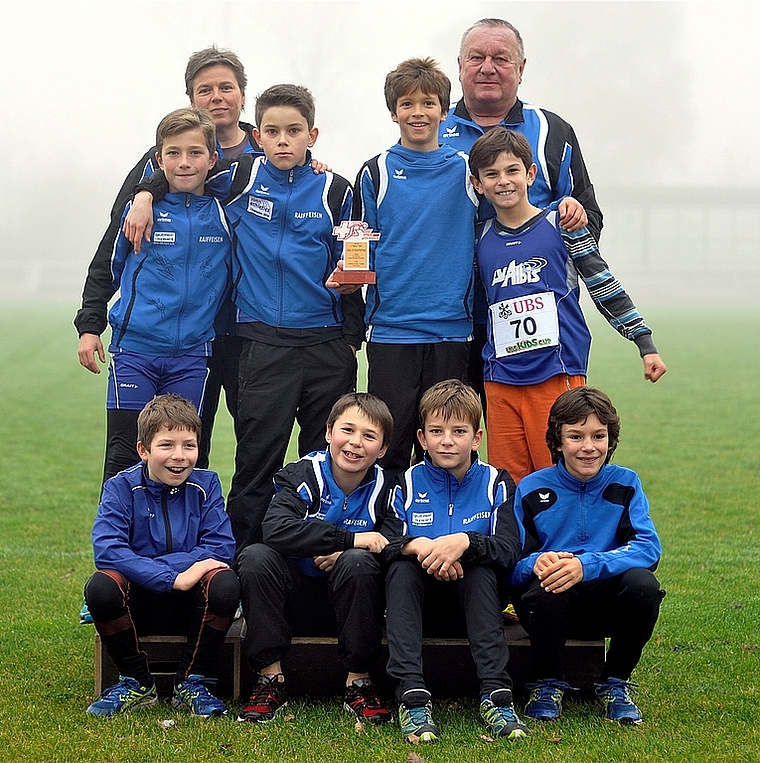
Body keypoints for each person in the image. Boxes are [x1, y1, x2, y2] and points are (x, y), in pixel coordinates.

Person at [129, 85, 360, 551]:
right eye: (272, 131)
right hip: (262, 345)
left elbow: (353, 255)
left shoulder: (336, 188)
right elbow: (183, 176)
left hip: (326, 346)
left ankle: (316, 568)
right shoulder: (238, 178)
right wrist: (144, 195)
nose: (282, 141)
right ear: (258, 135)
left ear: (311, 135)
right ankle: (240, 571)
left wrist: (350, 305)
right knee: (257, 464)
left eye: (294, 132)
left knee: (325, 465)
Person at [75, 46, 259, 478]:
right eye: (205, 89)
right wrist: (90, 320)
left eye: (226, 88)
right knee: (135, 453)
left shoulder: (263, 155)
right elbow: (112, 252)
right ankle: (120, 546)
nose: (216, 97)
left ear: (242, 95)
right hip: (149, 343)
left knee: (206, 452)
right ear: (191, 99)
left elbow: (294, 175)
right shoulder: (155, 172)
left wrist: (313, 162)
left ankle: (213, 543)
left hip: (234, 336)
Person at [468, 128, 667, 483]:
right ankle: (513, 543)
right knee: (508, 483)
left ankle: (567, 542)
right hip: (500, 380)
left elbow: (602, 283)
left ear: (530, 174)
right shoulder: (478, 238)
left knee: (559, 476)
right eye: (492, 174)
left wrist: (644, 342)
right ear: (478, 184)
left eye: (512, 170)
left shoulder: (561, 224)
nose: (504, 181)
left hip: (556, 373)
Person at [440, 18, 598, 409]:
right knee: (445, 441)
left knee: (541, 448)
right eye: (477, 57)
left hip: (534, 329)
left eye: (501, 58)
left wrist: (563, 221)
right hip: (445, 320)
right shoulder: (429, 129)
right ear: (459, 65)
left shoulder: (551, 130)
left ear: (522, 68)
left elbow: (588, 220)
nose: (488, 67)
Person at [348, 58, 478, 476]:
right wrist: (349, 279)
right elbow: (357, 242)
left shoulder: (466, 169)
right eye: (407, 104)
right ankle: (386, 535)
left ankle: (443, 533)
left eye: (428, 103)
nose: (418, 112)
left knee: (447, 446)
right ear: (393, 112)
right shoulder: (376, 170)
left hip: (453, 330)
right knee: (389, 444)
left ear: (445, 109)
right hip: (392, 330)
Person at [235, 393, 394, 725]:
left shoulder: (389, 487)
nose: (355, 443)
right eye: (347, 430)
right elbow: (275, 529)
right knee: (255, 558)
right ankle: (270, 680)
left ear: (382, 449)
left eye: (369, 436)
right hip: (292, 601)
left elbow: (392, 543)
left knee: (358, 562)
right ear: (328, 431)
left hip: (352, 603)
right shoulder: (302, 474)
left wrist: (348, 551)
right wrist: (346, 538)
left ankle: (359, 682)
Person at [382, 380, 527, 742]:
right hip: (418, 609)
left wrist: (464, 542)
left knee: (479, 572)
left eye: (458, 431)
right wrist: (421, 549)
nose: (447, 440)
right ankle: (412, 697)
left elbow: (509, 549)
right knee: (401, 567)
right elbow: (385, 544)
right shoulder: (405, 482)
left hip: (478, 608)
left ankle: (496, 696)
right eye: (437, 431)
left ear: (477, 438)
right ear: (421, 437)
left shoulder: (497, 482)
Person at [509, 386, 665, 724]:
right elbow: (510, 565)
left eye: (599, 436)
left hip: (607, 602)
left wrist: (586, 565)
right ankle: (548, 683)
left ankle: (614, 682)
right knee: (546, 585)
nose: (589, 447)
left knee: (644, 585)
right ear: (558, 440)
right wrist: (534, 563)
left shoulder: (626, 484)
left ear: (611, 439)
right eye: (576, 436)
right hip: (550, 607)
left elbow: (649, 548)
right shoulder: (531, 488)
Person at [95, 107, 233, 483]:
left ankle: (183, 543)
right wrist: (90, 324)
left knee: (185, 457)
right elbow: (107, 269)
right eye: (173, 153)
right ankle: (114, 543)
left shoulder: (226, 212)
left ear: (212, 159)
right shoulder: (139, 211)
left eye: (195, 153)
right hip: (135, 351)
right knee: (125, 456)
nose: (184, 162)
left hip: (192, 355)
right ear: (158, 160)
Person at [84, 395, 239, 718]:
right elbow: (107, 548)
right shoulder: (120, 487)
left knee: (225, 582)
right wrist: (172, 577)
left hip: (191, 605)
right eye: (167, 445)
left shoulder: (206, 485)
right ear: (144, 450)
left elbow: (220, 546)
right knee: (101, 586)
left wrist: (178, 577)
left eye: (189, 446)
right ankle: (137, 681)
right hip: (139, 602)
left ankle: (191, 681)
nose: (179, 457)